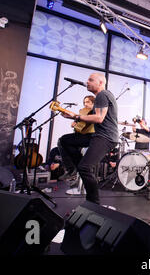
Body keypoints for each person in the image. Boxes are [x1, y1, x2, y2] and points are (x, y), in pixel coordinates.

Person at [61, 73, 119, 204]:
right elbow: (93, 119)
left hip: (106, 137)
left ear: (100, 83)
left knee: (85, 168)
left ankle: (93, 203)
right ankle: (76, 168)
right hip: (98, 135)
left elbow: (99, 118)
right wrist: (74, 118)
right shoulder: (101, 96)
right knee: (65, 140)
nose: (87, 82)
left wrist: (75, 116)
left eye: (91, 80)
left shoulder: (102, 95)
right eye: (87, 79)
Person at [57, 95, 95, 181]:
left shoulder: (95, 111)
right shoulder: (83, 112)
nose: (85, 104)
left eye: (88, 102)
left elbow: (88, 119)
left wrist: (74, 118)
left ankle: (74, 168)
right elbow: (81, 122)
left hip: (91, 136)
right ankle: (76, 167)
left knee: (63, 140)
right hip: (82, 135)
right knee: (61, 141)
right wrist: (74, 121)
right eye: (84, 102)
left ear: (94, 103)